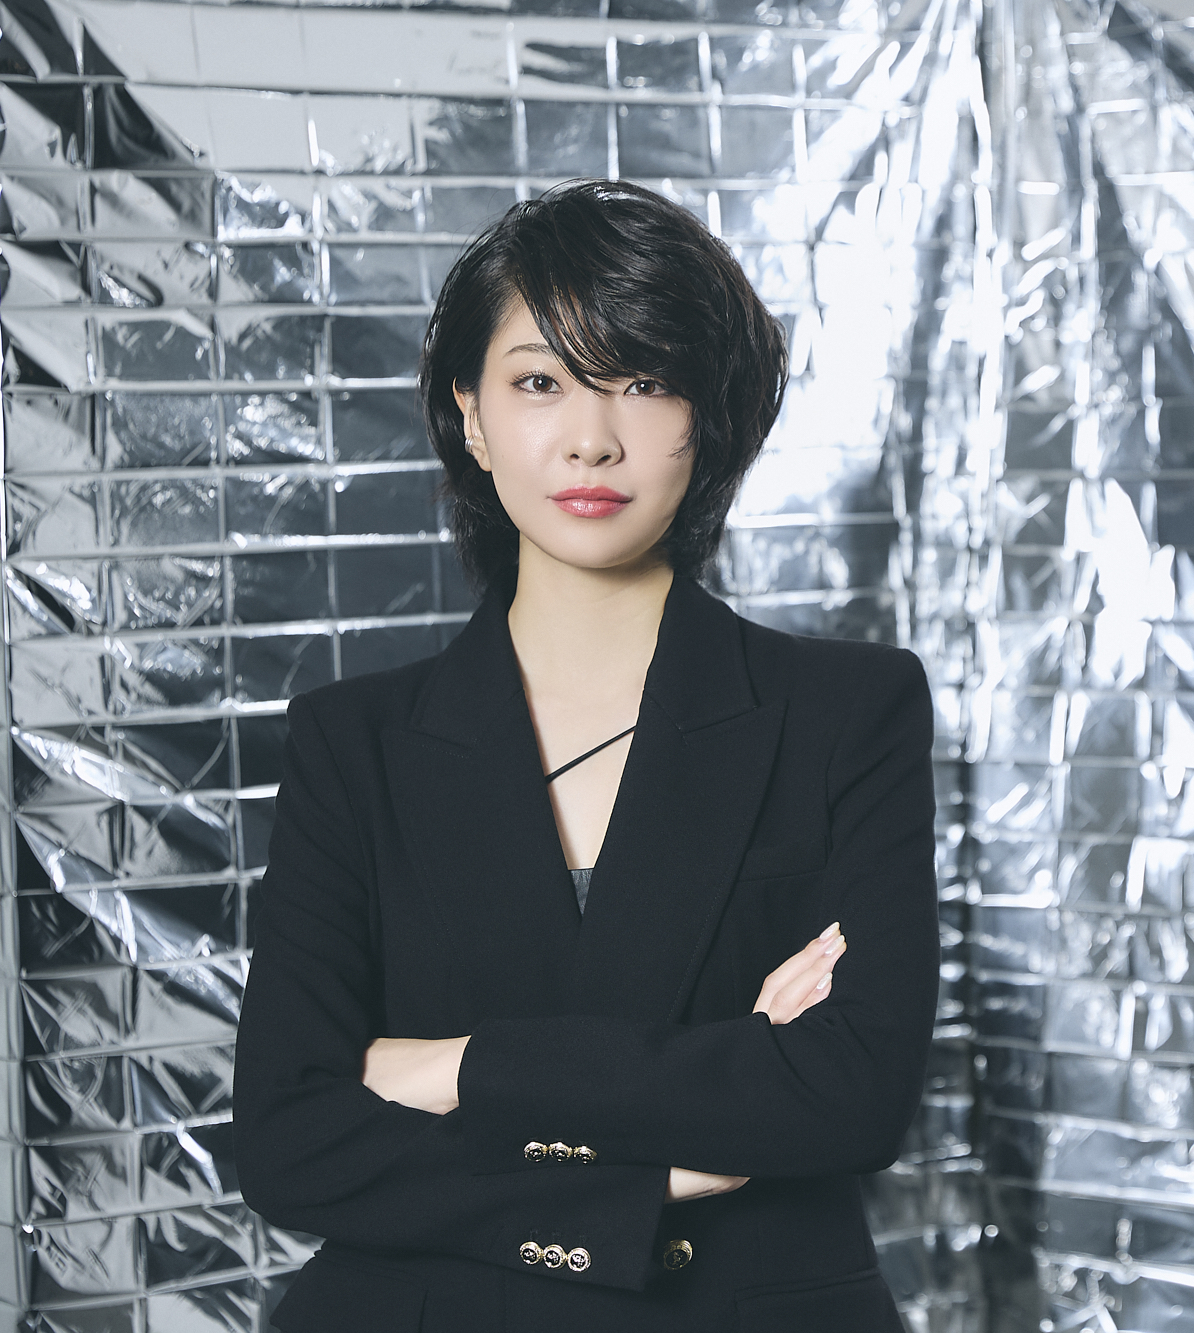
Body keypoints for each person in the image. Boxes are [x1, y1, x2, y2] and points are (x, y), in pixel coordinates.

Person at [231, 179, 940, 1333]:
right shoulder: (353, 743)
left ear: (709, 415)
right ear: (469, 415)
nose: (591, 437)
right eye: (539, 382)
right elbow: (289, 1138)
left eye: (645, 381)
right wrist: (659, 1164)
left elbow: (850, 1098)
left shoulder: (846, 711)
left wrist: (458, 1067)